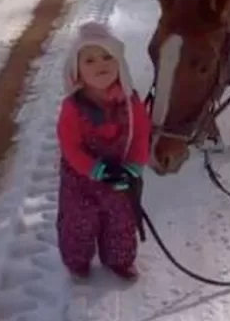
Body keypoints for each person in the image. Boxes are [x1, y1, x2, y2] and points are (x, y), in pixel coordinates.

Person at [56, 21, 151, 281]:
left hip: (120, 175)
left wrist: (134, 165)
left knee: (121, 221)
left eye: (108, 57)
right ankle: (78, 261)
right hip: (81, 178)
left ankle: (119, 260)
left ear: (119, 63)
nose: (101, 65)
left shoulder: (131, 102)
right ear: (77, 71)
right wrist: (94, 169)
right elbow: (70, 145)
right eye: (90, 60)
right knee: (79, 222)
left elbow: (141, 134)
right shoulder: (73, 107)